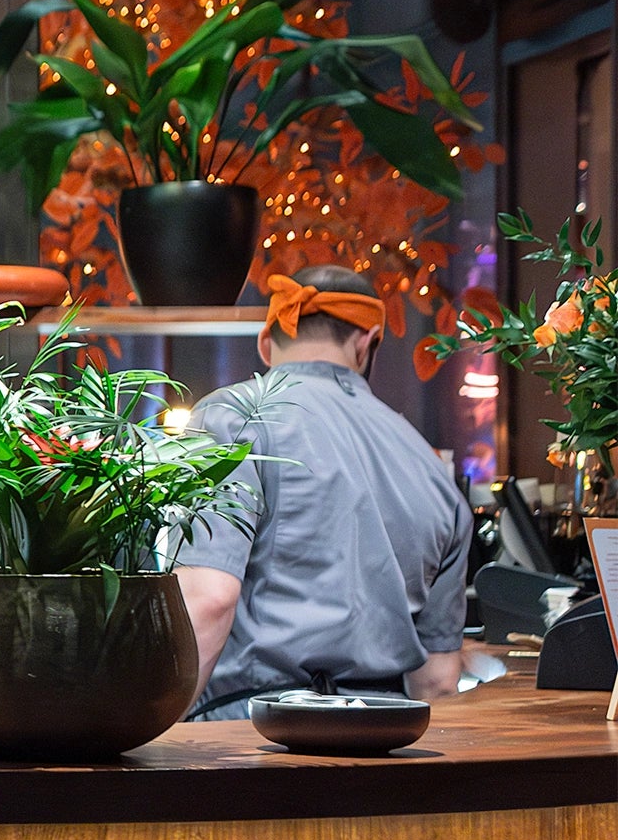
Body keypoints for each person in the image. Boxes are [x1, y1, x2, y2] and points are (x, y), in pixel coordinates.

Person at [175, 265, 473, 717]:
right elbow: (438, 681)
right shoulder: (429, 466)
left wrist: (149, 741)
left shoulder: (232, 417)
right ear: (367, 342)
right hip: (381, 744)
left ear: (265, 342)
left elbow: (209, 601)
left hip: (253, 736)